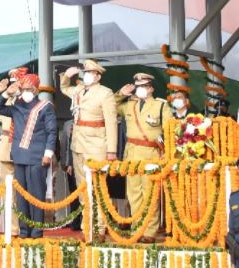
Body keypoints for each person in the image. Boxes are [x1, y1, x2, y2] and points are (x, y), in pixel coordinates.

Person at [0, 74, 57, 239]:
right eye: (23, 89)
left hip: (37, 157)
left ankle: (36, 230)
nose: (25, 92)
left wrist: (48, 154)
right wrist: (7, 94)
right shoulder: (17, 106)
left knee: (36, 194)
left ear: (35, 90)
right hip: (19, 156)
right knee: (21, 196)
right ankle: (24, 230)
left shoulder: (45, 106)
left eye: (28, 89)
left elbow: (52, 132)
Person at [59, 60, 117, 239]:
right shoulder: (78, 90)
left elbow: (111, 123)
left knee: (98, 190)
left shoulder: (105, 93)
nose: (88, 74)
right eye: (86, 71)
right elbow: (64, 89)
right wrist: (67, 77)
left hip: (96, 146)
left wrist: (112, 150)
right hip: (78, 145)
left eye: (92, 72)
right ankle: (88, 228)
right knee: (83, 189)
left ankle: (98, 229)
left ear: (98, 75)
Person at [116, 72, 172, 243]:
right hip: (131, 153)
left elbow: (169, 132)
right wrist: (121, 94)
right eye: (138, 86)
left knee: (150, 194)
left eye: (144, 86)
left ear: (151, 88)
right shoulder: (129, 105)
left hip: (151, 154)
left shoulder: (161, 106)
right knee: (133, 194)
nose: (140, 89)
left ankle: (150, 231)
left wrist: (166, 154)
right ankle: (137, 228)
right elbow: (111, 107)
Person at [0, 66, 29, 235]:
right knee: (8, 192)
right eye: (12, 82)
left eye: (17, 81)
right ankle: (13, 229)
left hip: (23, 146)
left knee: (25, 191)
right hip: (5, 147)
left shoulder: (29, 100)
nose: (13, 85)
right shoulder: (5, 101)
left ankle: (27, 228)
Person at [60, 118, 82, 231]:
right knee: (74, 195)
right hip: (72, 163)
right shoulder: (68, 124)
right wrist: (66, 163)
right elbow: (65, 144)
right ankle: (76, 221)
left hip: (87, 161)